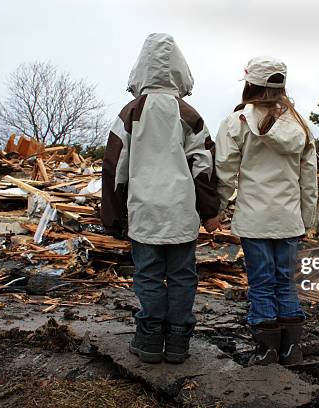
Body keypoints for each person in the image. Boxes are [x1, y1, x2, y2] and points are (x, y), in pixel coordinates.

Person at [101, 33, 219, 364]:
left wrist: (114, 219)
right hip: (181, 212)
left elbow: (114, 167)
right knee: (182, 275)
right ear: (181, 70)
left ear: (140, 70)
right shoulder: (189, 115)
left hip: (145, 212)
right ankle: (179, 342)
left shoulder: (131, 113)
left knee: (148, 274)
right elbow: (205, 167)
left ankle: (151, 339)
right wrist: (210, 211)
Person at [209, 56, 318, 366]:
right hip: (288, 221)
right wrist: (307, 221)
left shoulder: (237, 122)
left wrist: (215, 210)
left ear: (250, 84)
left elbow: (224, 173)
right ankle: (291, 350)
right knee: (284, 282)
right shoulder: (300, 126)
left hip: (254, 220)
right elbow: (308, 181)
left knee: (261, 283)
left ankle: (267, 350)